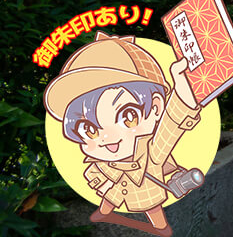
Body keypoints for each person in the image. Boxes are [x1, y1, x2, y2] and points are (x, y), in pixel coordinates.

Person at [44, 32, 203, 237]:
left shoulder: (151, 150)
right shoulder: (103, 158)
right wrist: (96, 179)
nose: (107, 136)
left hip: (145, 186)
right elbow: (96, 170)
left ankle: (161, 227)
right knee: (109, 198)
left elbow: (171, 124)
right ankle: (103, 212)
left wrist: (182, 90)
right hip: (117, 184)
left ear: (155, 108)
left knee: (152, 206)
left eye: (127, 116)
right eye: (89, 129)